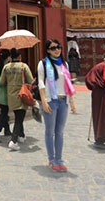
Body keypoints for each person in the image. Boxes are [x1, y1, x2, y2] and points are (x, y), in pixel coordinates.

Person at [36, 39, 76, 171]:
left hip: (63, 101)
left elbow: (67, 83)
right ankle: (51, 159)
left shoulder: (64, 64)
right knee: (50, 131)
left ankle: (59, 159)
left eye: (58, 47)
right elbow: (41, 82)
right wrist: (43, 101)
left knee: (59, 132)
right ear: (48, 50)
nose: (57, 50)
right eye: (53, 48)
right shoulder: (43, 64)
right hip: (50, 101)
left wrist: (71, 101)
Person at [0, 48, 34, 151]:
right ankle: (13, 140)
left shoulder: (6, 67)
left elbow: (1, 81)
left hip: (11, 95)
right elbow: (31, 80)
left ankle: (21, 135)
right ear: (19, 56)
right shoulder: (24, 66)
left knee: (18, 116)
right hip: (22, 94)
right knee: (19, 119)